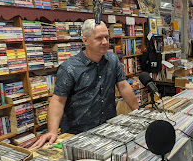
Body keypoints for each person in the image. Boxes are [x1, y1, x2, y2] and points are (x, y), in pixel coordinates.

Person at [31, 19, 139, 149]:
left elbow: (123, 86)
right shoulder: (69, 68)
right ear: (85, 40)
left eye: (106, 37)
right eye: (99, 38)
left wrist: (137, 113)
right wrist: (52, 131)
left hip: (108, 130)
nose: (105, 42)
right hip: (78, 134)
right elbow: (58, 100)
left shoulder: (113, 60)